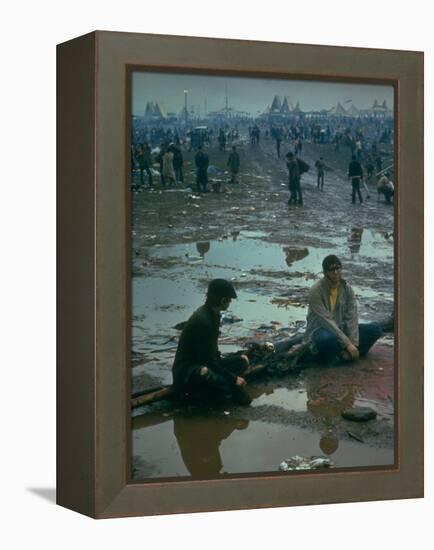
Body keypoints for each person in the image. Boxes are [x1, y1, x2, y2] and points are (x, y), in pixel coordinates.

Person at [172, 279, 252, 405]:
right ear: (222, 300)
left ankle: (221, 388)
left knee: (242, 360)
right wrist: (233, 379)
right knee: (208, 373)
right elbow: (207, 361)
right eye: (229, 299)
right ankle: (218, 391)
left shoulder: (214, 315)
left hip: (207, 362)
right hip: (188, 370)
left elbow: (213, 355)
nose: (230, 302)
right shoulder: (202, 320)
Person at [303, 255, 382, 365]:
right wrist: (347, 344)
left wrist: (354, 343)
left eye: (338, 268)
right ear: (325, 272)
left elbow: (352, 317)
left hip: (342, 330)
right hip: (321, 330)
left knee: (375, 329)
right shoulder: (316, 291)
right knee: (326, 339)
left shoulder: (347, 288)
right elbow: (326, 321)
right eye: (331, 269)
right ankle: (335, 357)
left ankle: (344, 355)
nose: (335, 272)